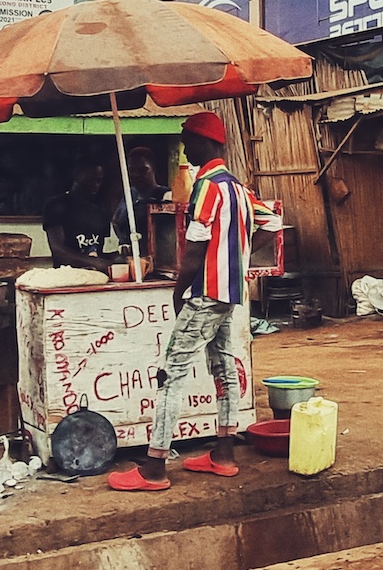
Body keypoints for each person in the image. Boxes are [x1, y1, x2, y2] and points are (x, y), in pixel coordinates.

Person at [108, 112, 279, 491]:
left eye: (188, 139)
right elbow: (272, 223)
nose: (185, 147)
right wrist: (239, 257)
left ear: (207, 142)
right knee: (224, 368)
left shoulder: (206, 186)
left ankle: (154, 468)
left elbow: (195, 248)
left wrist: (178, 289)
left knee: (171, 372)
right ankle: (224, 455)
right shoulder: (237, 187)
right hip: (230, 293)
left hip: (204, 294)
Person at [43, 154, 114, 274]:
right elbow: (58, 250)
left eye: (98, 180)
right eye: (89, 179)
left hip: (96, 277)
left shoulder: (101, 211)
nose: (95, 185)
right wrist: (97, 263)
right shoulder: (56, 205)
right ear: (76, 176)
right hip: (65, 277)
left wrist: (115, 257)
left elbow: (95, 251)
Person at [112, 146, 171, 249]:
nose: (136, 174)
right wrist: (124, 241)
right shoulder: (130, 194)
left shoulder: (166, 195)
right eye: (132, 170)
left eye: (143, 170)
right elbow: (116, 221)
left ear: (154, 169)